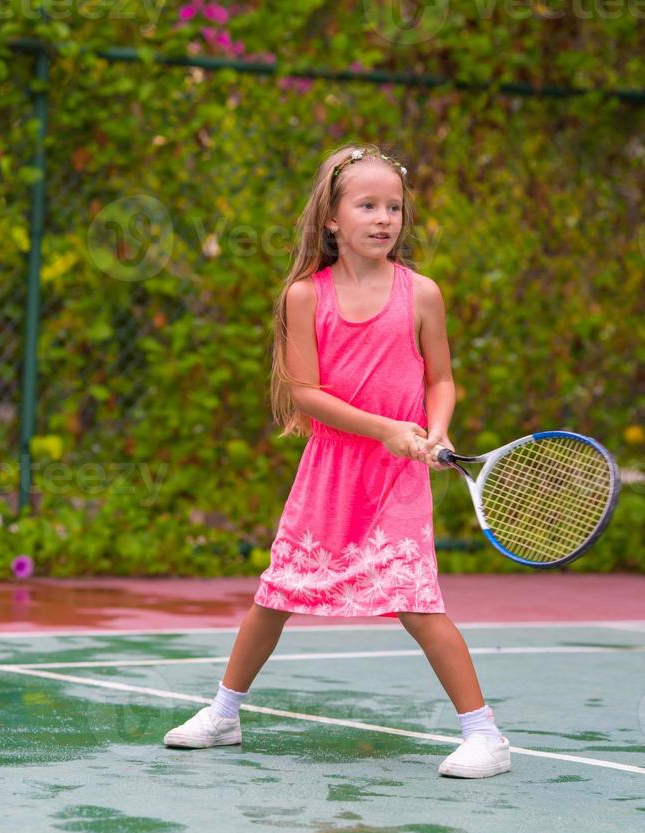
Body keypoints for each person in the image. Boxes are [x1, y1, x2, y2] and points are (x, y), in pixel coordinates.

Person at [164, 143, 510, 779]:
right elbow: (306, 394)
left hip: (396, 480)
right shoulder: (305, 296)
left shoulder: (422, 293)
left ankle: (484, 735)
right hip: (331, 473)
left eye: (395, 207)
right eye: (367, 205)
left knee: (417, 601)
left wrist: (434, 431)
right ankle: (223, 714)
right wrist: (386, 428)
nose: (384, 219)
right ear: (331, 218)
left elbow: (442, 380)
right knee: (275, 595)